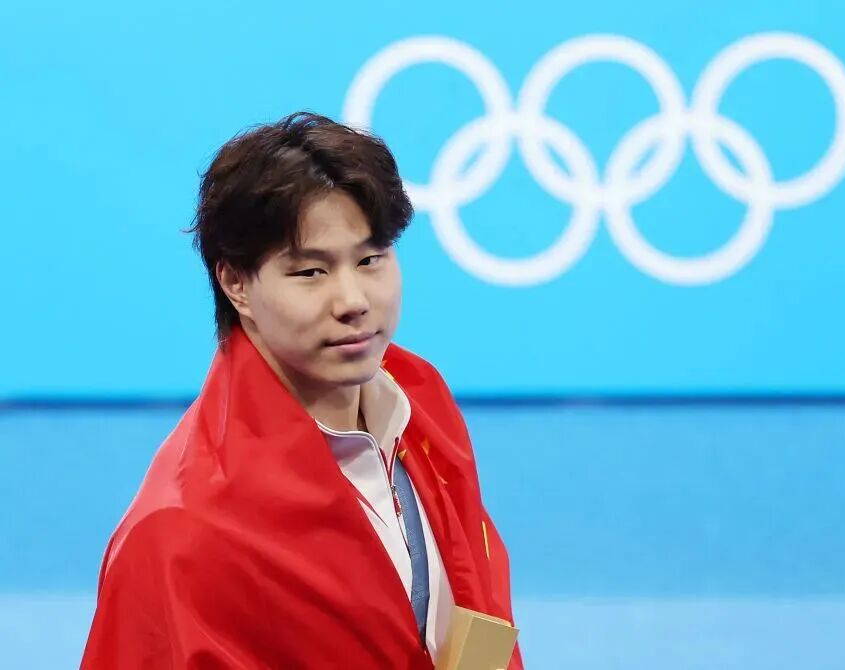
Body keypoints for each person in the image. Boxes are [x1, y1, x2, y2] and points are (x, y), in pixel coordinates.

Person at [81, 111, 523, 669]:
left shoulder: (422, 403)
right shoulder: (181, 533)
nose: (353, 301)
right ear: (236, 283)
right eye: (311, 272)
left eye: (370, 260)